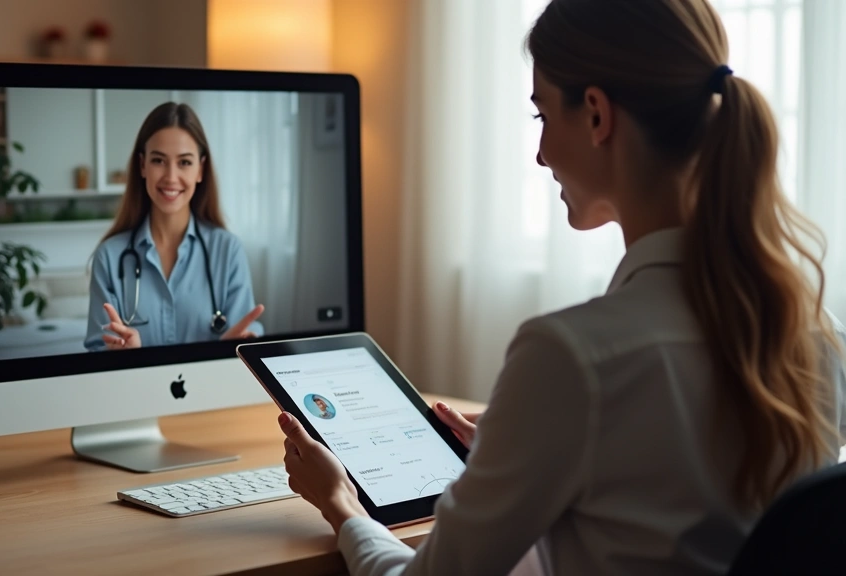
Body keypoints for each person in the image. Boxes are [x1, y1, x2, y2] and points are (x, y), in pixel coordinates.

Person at [276, 1, 846, 574]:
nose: (542, 153)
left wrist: (344, 508)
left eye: (542, 117)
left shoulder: (573, 357)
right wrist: (527, 453)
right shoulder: (816, 333)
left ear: (597, 115)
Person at [84, 102, 264, 351]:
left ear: (201, 169)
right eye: (158, 160)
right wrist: (122, 357)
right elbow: (96, 351)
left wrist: (240, 346)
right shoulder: (110, 256)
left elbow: (244, 341)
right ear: (142, 166)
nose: (170, 177)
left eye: (185, 162)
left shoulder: (228, 250)